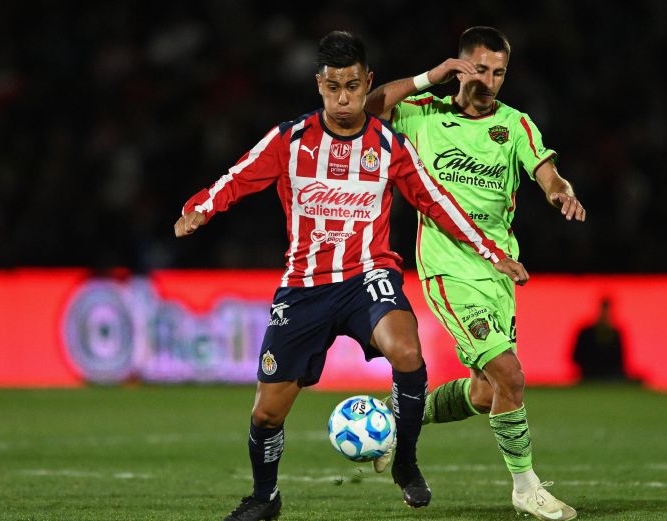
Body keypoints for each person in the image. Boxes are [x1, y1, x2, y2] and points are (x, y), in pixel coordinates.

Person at [174, 31, 529, 521]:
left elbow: (438, 202)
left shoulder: (389, 144)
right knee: (267, 412)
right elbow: (239, 176)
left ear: (369, 84)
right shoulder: (290, 140)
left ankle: (405, 460)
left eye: (353, 87)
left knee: (407, 351)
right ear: (319, 84)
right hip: (304, 287)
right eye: (333, 87)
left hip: (369, 276)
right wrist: (201, 207)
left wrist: (491, 251)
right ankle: (265, 497)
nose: (344, 99)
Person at [364, 26, 584, 521]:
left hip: (501, 270)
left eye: (499, 71)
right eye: (480, 68)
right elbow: (370, 107)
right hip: (447, 269)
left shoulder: (516, 124)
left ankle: (402, 416)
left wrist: (559, 192)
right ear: (460, 66)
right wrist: (428, 77)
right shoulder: (424, 115)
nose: (489, 80)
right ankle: (526, 487)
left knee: (488, 392)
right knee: (512, 375)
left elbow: (548, 172)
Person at [572, 297, 628, 381]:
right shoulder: (585, 333)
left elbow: (621, 361)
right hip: (589, 377)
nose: (605, 314)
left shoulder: (616, 334)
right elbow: (576, 357)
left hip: (612, 378)